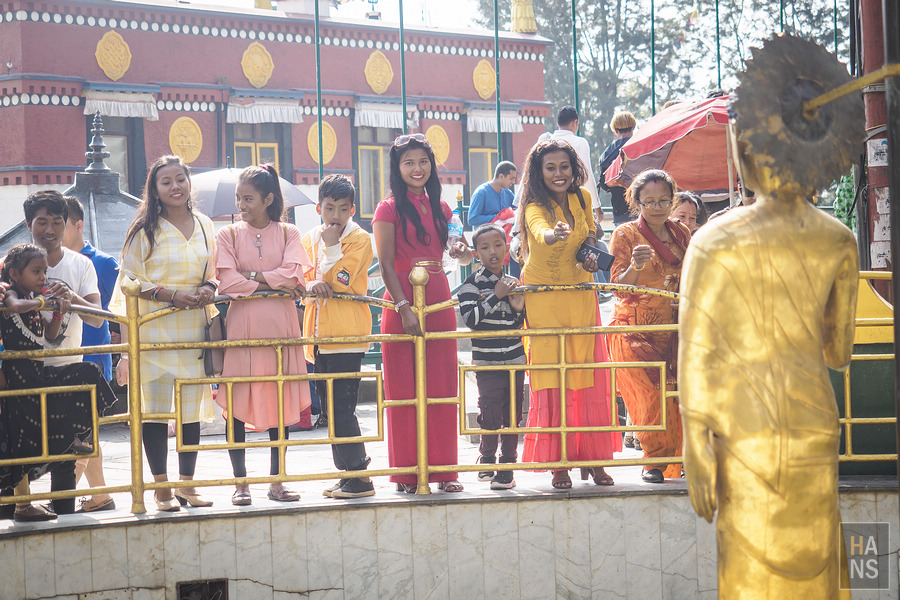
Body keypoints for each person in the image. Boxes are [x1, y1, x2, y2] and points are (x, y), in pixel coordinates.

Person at [679, 129, 858, 598]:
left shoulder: (713, 238)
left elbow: (695, 345)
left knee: (747, 564)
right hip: (811, 417)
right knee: (816, 555)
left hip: (743, 421)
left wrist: (693, 438)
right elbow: (839, 354)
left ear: (745, 158)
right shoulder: (838, 239)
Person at [112, 155, 218, 512]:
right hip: (154, 330)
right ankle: (161, 488)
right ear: (154, 190)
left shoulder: (205, 224)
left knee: (190, 410)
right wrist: (168, 295)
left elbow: (214, 270)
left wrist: (208, 287)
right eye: (166, 181)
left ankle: (186, 485)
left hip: (192, 331)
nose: (175, 186)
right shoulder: (145, 231)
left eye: (181, 179)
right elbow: (128, 280)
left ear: (190, 183)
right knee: (155, 412)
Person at [372, 133, 473, 493]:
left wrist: (463, 252)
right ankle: (406, 473)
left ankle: (445, 472)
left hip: (438, 295)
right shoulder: (387, 208)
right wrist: (403, 307)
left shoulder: (442, 208)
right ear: (397, 168)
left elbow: (457, 254)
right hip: (401, 298)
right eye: (409, 162)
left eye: (423, 161)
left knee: (442, 385)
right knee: (404, 388)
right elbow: (384, 264)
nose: (417, 168)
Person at [516, 138, 620, 490]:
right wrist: (552, 234)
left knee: (586, 372)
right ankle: (558, 463)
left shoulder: (583, 197)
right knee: (552, 376)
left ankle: (593, 460)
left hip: (579, 291)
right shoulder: (534, 203)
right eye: (550, 168)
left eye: (563, 167)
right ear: (539, 172)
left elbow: (590, 232)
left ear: (574, 169)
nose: (558, 174)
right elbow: (537, 230)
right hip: (543, 295)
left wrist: (590, 251)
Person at [215, 164, 310, 505]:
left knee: (280, 401)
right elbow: (227, 281)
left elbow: (295, 276)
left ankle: (277, 480)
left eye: (248, 198)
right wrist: (272, 280)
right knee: (237, 405)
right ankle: (240, 483)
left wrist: (251, 275)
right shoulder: (227, 235)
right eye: (238, 198)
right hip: (242, 330)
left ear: (268, 199)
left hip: (281, 331)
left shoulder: (289, 233)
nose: (241, 204)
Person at [0, 244, 115, 521]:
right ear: (15, 273)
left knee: (85, 373)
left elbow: (51, 336)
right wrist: (42, 302)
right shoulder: (12, 295)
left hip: (37, 375)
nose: (42, 277)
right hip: (19, 378)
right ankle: (22, 505)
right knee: (20, 443)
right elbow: (14, 306)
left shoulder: (35, 299)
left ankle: (82, 431)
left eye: (44, 272)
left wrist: (60, 311)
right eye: (36, 271)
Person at [23, 190, 110, 515]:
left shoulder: (81, 264)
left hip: (68, 369)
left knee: (66, 451)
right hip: (24, 371)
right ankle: (20, 507)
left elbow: (97, 317)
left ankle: (63, 513)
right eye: (40, 222)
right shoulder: (11, 264)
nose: (49, 229)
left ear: (68, 224)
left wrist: (70, 297)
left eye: (56, 222)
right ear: (28, 224)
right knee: (21, 448)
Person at [607, 169, 690, 483]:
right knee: (652, 394)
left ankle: (676, 459)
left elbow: (692, 273)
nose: (657, 207)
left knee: (677, 394)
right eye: (649, 201)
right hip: (634, 329)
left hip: (674, 328)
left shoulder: (681, 232)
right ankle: (652, 460)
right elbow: (617, 286)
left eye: (663, 201)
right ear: (636, 202)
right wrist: (636, 267)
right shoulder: (626, 235)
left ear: (672, 201)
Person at [301, 174, 375, 499]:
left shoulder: (360, 239)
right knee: (329, 410)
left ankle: (360, 477)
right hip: (317, 335)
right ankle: (346, 474)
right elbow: (302, 277)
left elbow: (340, 280)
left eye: (342, 210)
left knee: (343, 407)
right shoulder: (309, 238)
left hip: (346, 335)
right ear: (319, 207)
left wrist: (331, 247)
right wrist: (311, 285)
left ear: (352, 210)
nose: (334, 216)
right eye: (329, 208)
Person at [456, 224, 526, 490]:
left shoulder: (512, 281)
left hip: (515, 358)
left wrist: (518, 308)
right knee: (489, 409)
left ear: (507, 249)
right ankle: (487, 456)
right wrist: (496, 297)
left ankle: (507, 466)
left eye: (498, 245)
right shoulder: (471, 285)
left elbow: (516, 320)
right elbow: (472, 319)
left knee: (513, 412)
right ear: (476, 253)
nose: (492, 252)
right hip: (487, 360)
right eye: (484, 248)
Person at [61, 195, 118, 513]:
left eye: (60, 223)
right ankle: (101, 495)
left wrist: (123, 358)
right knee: (85, 430)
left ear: (77, 225)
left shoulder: (103, 263)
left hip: (93, 357)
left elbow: (113, 314)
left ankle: (64, 496)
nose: (53, 231)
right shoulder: (49, 262)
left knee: (81, 431)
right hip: (64, 355)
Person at [545, 106, 604, 222]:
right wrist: (597, 207)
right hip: (573, 201)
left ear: (558, 123)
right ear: (575, 122)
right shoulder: (579, 142)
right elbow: (587, 175)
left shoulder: (545, 141)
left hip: (548, 200)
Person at [599, 111, 638, 226]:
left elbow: (604, 183)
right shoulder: (641, 146)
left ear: (615, 130)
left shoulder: (607, 154)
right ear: (633, 127)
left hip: (620, 209)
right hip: (642, 207)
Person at [467, 161, 517, 227]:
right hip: (485, 235)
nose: (513, 182)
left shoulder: (508, 193)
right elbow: (472, 219)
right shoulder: (481, 193)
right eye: (511, 179)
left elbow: (517, 211)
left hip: (504, 235)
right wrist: (498, 217)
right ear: (501, 176)